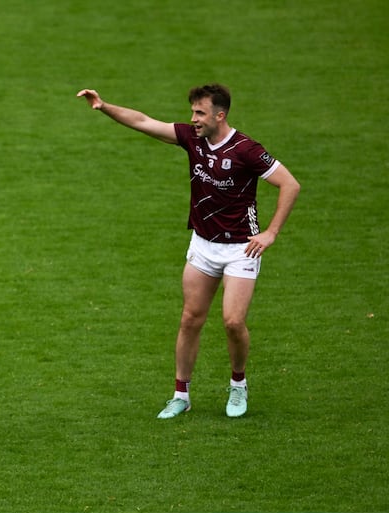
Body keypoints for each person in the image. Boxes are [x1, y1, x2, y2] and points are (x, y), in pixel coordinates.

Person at [77, 84, 300, 419]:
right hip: (203, 244)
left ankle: (238, 385)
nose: (193, 119)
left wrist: (270, 232)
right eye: (193, 112)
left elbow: (290, 184)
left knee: (233, 321)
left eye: (200, 113)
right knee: (190, 319)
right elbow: (143, 121)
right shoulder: (192, 139)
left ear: (219, 115)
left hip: (241, 247)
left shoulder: (246, 150)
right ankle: (181, 394)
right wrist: (104, 106)